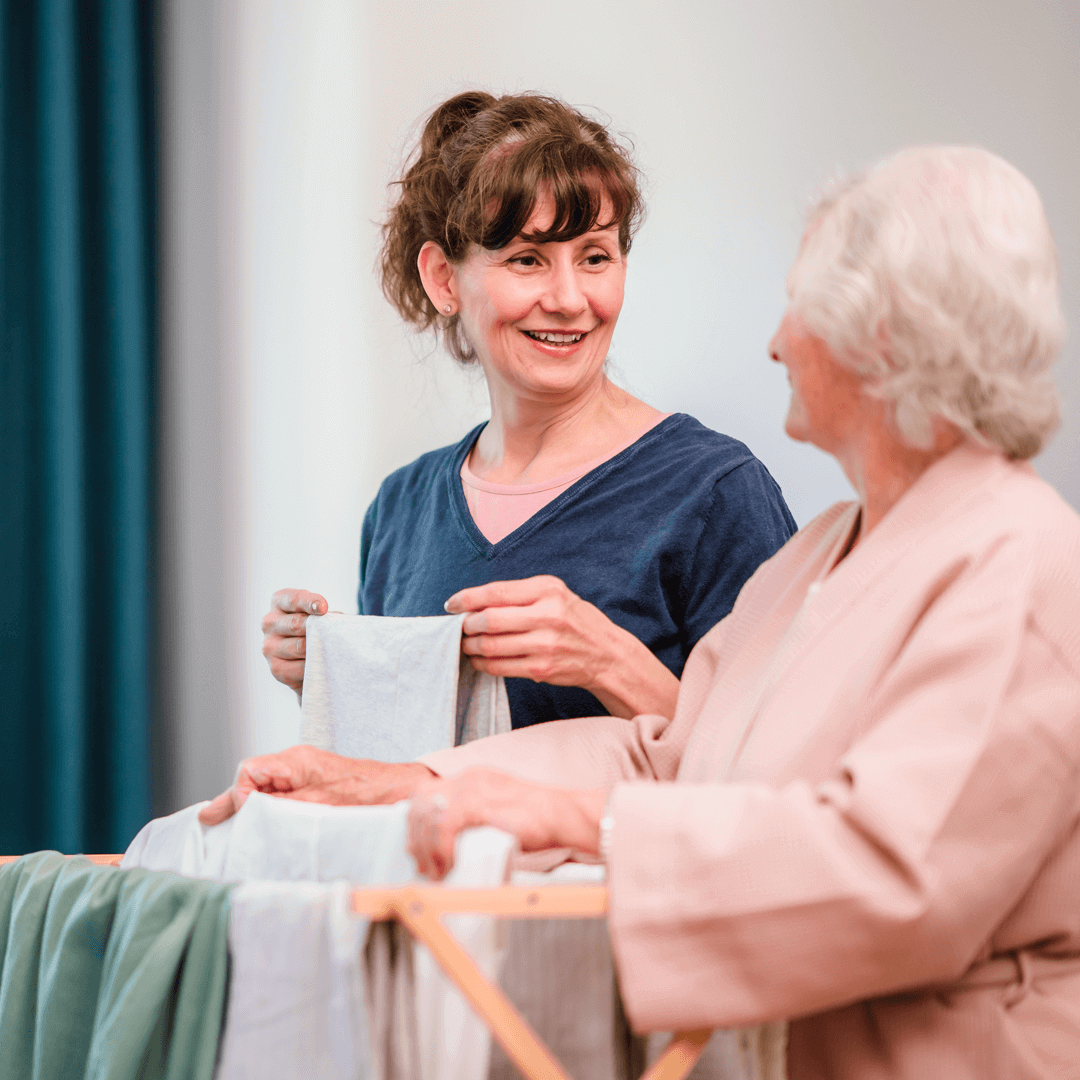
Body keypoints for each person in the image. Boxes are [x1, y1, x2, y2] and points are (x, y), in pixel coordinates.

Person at [204, 145, 1080, 1078]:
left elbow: (895, 878)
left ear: (886, 339)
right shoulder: (827, 550)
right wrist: (401, 784)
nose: (776, 341)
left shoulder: (1022, 568)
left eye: (800, 308)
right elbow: (670, 755)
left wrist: (592, 826)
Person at [260, 91, 795, 730]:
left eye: (595, 257)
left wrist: (608, 663)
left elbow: (781, 771)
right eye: (527, 260)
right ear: (443, 280)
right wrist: (334, 675)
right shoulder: (400, 511)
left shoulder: (716, 493)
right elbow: (408, 769)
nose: (570, 299)